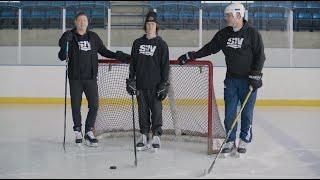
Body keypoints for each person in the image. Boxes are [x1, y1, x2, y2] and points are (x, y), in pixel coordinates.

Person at [178, 3, 265, 156]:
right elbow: (210, 48)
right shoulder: (224, 34)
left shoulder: (252, 33)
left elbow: (260, 56)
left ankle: (244, 139)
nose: (226, 18)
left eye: (229, 15)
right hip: (231, 80)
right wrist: (191, 55)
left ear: (238, 15)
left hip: (248, 81)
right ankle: (230, 140)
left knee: (246, 113)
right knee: (230, 112)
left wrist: (256, 74)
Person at [58, 12, 131, 147]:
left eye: (84, 20)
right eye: (79, 20)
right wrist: (64, 43)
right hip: (75, 79)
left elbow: (104, 51)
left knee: (94, 105)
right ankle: (78, 131)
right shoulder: (69, 36)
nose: (82, 23)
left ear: (87, 23)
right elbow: (62, 56)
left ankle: (88, 131)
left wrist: (118, 55)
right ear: (75, 22)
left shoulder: (93, 37)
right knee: (76, 106)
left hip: (91, 78)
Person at [126, 10, 170, 151]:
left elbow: (165, 66)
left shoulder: (162, 44)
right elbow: (133, 63)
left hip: (156, 86)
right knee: (142, 112)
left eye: (153, 24)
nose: (150, 26)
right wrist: (131, 80)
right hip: (141, 85)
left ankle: (156, 136)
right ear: (145, 25)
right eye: (148, 23)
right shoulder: (137, 43)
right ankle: (144, 135)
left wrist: (164, 83)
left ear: (156, 26)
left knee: (156, 111)